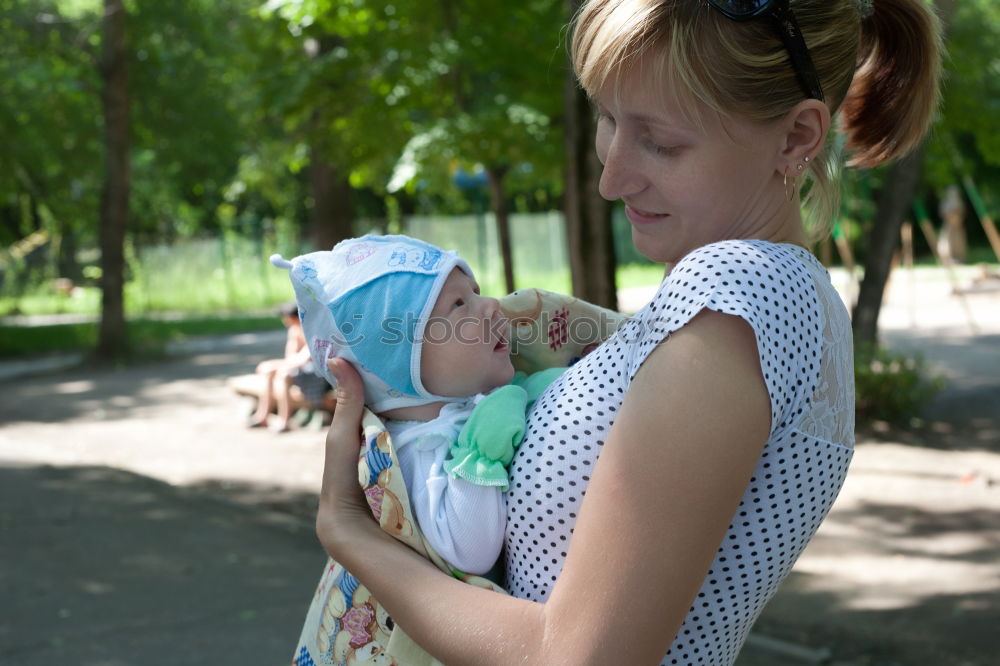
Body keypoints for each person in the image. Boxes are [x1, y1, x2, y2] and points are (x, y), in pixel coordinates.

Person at [310, 1, 943, 664]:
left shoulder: (735, 300)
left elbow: (573, 657)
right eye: (608, 118)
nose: (612, 177)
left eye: (662, 142)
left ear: (796, 138)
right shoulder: (774, 298)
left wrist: (350, 531)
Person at [272, 235, 563, 576]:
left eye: (475, 292)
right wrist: (483, 451)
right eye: (458, 304)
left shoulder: (466, 405)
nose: (491, 304)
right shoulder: (416, 451)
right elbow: (470, 554)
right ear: (396, 365)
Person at [248, 302, 330, 432]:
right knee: (271, 373)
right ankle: (262, 415)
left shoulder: (312, 331)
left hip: (318, 373)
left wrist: (275, 365)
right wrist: (274, 366)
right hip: (301, 369)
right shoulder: (294, 331)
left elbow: (305, 358)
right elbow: (291, 357)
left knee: (284, 375)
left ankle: (284, 420)